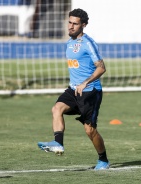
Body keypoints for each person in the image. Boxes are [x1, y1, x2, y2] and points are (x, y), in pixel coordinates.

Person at [37, 8, 110, 170]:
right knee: (57, 108)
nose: (70, 26)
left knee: (90, 130)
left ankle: (103, 160)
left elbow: (101, 68)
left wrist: (85, 82)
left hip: (90, 91)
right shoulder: (69, 42)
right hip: (73, 90)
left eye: (75, 24)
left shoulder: (88, 43)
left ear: (83, 25)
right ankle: (58, 143)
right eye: (69, 22)